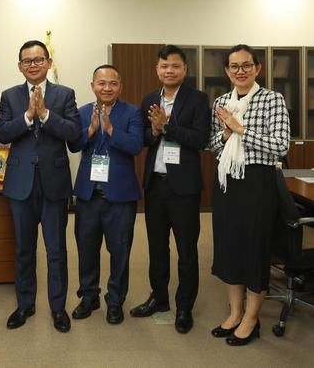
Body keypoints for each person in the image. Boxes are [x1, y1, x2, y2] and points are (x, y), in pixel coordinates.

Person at [0, 40, 80, 333]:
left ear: (48, 62)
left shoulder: (64, 94)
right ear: (20, 66)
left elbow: (73, 134)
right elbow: (2, 132)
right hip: (20, 185)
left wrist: (45, 114)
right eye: (27, 61)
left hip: (54, 184)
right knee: (24, 250)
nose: (33, 65)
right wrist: (28, 116)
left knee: (56, 250)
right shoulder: (9, 96)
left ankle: (58, 308)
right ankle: (25, 304)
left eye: (38, 59)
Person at [208, 44, 290, 346]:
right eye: (233, 66)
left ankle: (251, 319)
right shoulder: (221, 101)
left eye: (246, 65)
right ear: (227, 70)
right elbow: (213, 146)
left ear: (258, 68)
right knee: (229, 247)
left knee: (254, 249)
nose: (239, 71)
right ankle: (235, 312)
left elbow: (281, 146)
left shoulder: (272, 100)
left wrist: (240, 129)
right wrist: (226, 133)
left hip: (258, 182)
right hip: (227, 181)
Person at [129, 45, 210, 334]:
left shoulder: (198, 99)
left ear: (184, 69)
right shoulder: (149, 98)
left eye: (175, 66)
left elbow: (201, 139)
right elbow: (143, 139)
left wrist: (166, 127)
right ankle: (159, 298)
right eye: (164, 66)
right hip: (156, 185)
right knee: (156, 246)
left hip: (184, 188)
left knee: (186, 249)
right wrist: (152, 132)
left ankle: (184, 306)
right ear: (157, 70)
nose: (169, 71)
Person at [68, 65, 143, 325]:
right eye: (101, 83)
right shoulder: (83, 112)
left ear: (120, 87)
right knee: (86, 249)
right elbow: (73, 144)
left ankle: (115, 301)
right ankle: (89, 297)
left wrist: (111, 129)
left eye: (112, 83)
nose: (107, 88)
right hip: (89, 195)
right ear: (93, 86)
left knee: (119, 251)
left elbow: (135, 146)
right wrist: (90, 130)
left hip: (120, 196)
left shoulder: (133, 112)